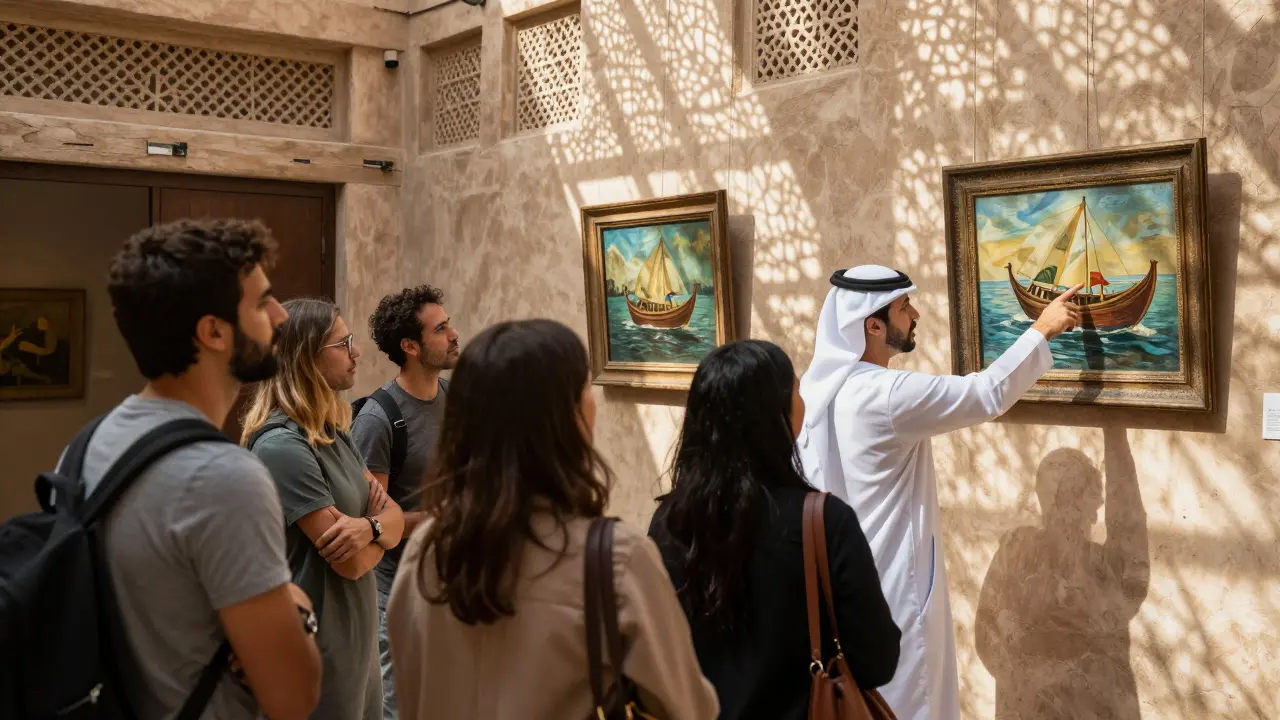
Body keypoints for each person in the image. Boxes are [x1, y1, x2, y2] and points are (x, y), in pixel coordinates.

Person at [387, 319, 719, 720]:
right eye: (585, 389)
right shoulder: (616, 560)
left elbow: (409, 696)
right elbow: (688, 709)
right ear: (569, 417)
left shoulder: (426, 551)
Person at [796, 265, 1082, 720]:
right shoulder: (887, 394)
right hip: (895, 589)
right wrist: (1042, 328)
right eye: (904, 307)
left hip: (841, 588)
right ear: (872, 324)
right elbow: (985, 393)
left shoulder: (818, 393)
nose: (916, 314)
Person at [69, 219, 322, 719]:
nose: (280, 316)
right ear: (213, 332)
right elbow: (293, 697)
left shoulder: (88, 443)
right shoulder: (224, 478)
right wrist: (300, 608)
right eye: (260, 302)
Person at [649, 340, 901, 720]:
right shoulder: (824, 521)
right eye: (795, 392)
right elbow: (877, 661)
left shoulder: (668, 522)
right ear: (776, 416)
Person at [244, 298, 406, 720]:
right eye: (344, 343)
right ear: (306, 356)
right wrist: (377, 529)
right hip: (318, 651)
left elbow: (396, 520)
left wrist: (368, 529)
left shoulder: (332, 430)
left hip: (357, 645)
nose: (356, 353)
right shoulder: (282, 445)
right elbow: (350, 564)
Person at [350, 285, 458, 720]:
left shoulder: (454, 398)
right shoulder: (378, 419)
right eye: (441, 328)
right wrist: (445, 517)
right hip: (394, 589)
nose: (453, 335)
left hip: (449, 578)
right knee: (399, 707)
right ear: (410, 346)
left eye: (449, 324)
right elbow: (371, 521)